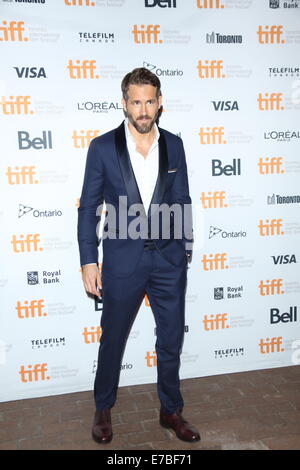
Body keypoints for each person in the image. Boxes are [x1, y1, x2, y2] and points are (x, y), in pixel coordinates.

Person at [77, 67, 200, 444]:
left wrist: (185, 249)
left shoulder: (175, 144)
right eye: (136, 102)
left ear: (159, 102)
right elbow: (88, 208)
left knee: (170, 338)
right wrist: (88, 260)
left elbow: (181, 199)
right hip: (123, 262)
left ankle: (171, 410)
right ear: (124, 104)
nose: (143, 110)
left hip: (168, 261)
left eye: (150, 101)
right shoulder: (102, 147)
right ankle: (103, 407)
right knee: (112, 337)